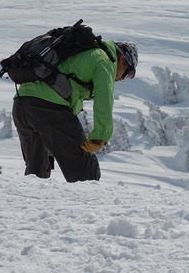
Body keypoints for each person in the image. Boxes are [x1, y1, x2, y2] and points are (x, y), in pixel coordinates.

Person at [11, 38, 138, 182]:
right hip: (49, 107)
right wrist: (101, 135)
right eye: (128, 73)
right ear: (122, 58)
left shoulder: (84, 56)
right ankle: (92, 203)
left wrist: (50, 153)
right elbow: (104, 97)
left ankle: (29, 202)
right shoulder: (104, 60)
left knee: (37, 172)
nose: (122, 79)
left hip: (21, 106)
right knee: (86, 172)